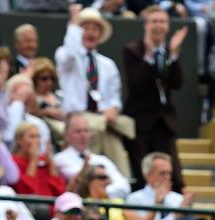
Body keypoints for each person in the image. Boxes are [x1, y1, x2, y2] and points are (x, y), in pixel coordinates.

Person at [54, 5, 133, 177]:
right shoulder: (66, 57)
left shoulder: (108, 65)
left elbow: (114, 98)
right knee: (91, 136)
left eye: (95, 29)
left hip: (104, 122)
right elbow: (70, 50)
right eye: (86, 28)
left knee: (118, 160)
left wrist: (113, 109)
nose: (90, 33)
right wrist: (74, 22)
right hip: (78, 119)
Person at [123, 6, 188, 192]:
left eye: (162, 22)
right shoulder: (133, 50)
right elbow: (135, 85)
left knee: (174, 175)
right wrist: (149, 56)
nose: (158, 26)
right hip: (140, 123)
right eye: (154, 22)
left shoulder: (170, 50)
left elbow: (177, 83)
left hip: (164, 123)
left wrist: (174, 55)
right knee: (145, 173)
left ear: (168, 26)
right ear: (146, 25)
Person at [54, 112, 131, 199]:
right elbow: (82, 185)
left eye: (86, 130)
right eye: (78, 131)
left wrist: (100, 192)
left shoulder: (102, 160)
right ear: (66, 135)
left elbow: (124, 186)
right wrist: (104, 189)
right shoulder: (59, 159)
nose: (83, 135)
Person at [125, 152, 193, 220]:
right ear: (148, 175)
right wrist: (175, 215)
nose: (167, 177)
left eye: (169, 173)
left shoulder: (179, 199)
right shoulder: (134, 199)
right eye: (162, 173)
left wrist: (187, 208)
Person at [11, 122, 67, 198]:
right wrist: (33, 161)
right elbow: (25, 191)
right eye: (32, 137)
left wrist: (51, 165)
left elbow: (60, 191)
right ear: (19, 140)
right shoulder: (12, 161)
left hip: (50, 204)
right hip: (31, 205)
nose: (36, 141)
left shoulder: (43, 160)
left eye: (38, 137)